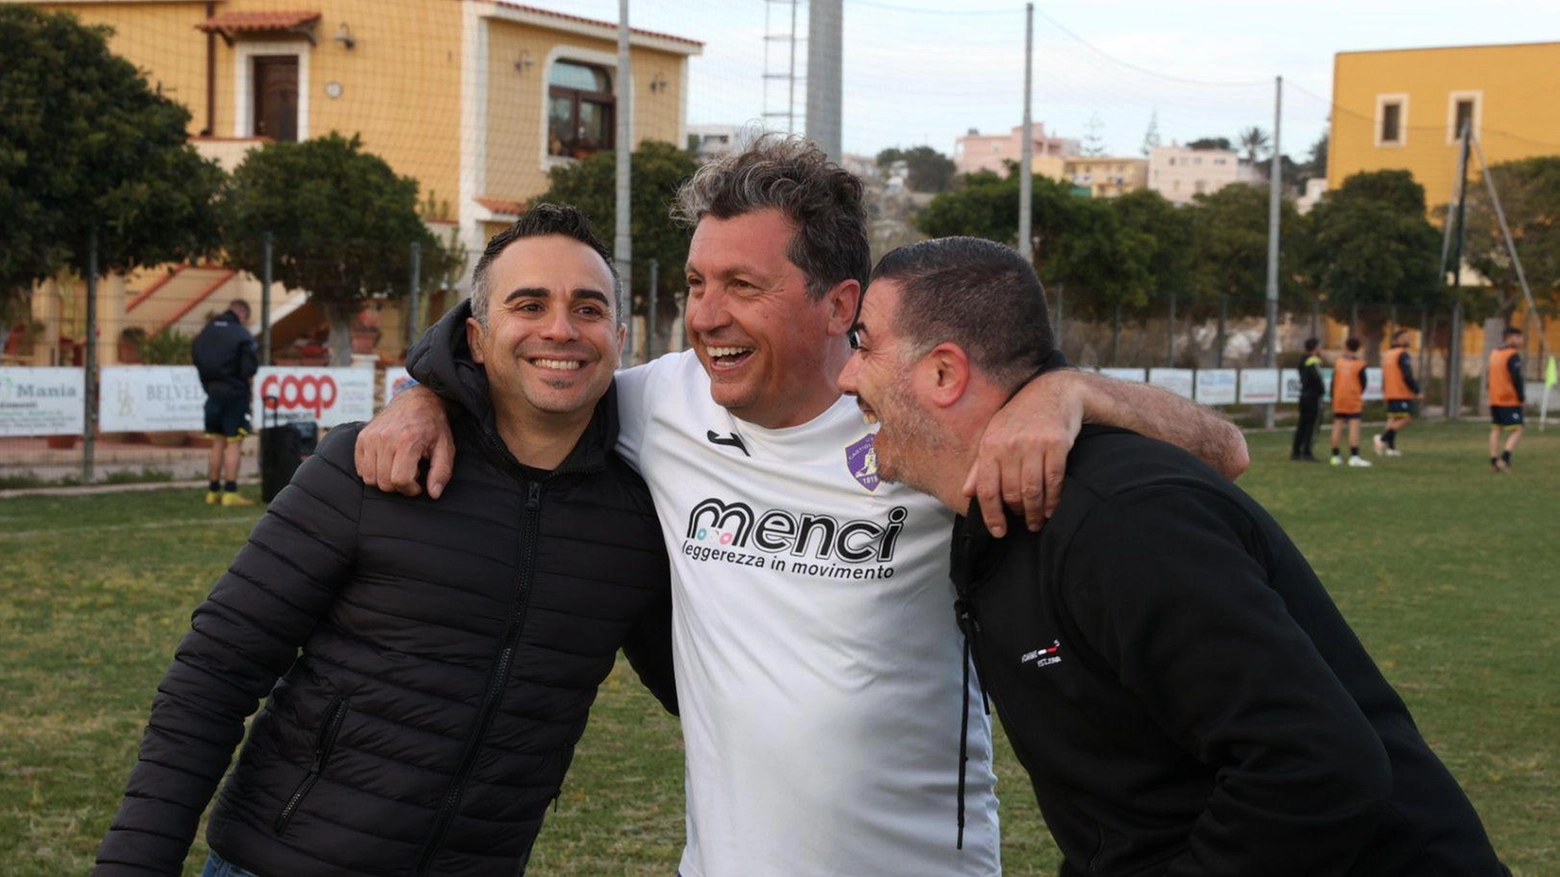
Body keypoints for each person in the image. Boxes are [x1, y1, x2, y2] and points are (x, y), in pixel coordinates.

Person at [356, 134, 1249, 877]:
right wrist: (425, 392)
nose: (707, 315)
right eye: (698, 283)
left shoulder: (934, 432)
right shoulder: (657, 405)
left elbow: (1226, 452)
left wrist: (1070, 393)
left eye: (743, 286)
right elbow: (520, 372)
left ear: (840, 304)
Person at [836, 234, 1511, 877]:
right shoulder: (991, 517)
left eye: (862, 346)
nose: (845, 376)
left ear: (946, 371)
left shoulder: (1117, 518)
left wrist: (1073, 389)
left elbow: (1315, 764)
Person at [93, 205, 677, 877]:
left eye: (588, 308)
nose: (560, 329)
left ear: (622, 337)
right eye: (530, 303)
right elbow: (213, 673)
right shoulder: (367, 466)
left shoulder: (635, 520)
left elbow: (706, 689)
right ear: (477, 337)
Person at [191, 299, 258, 505]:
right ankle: (230, 491)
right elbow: (249, 369)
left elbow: (196, 358)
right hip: (235, 394)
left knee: (217, 442)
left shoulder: (206, 331)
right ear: (243, 315)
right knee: (234, 443)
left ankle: (212, 491)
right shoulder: (241, 334)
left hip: (213, 393)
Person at [1375, 329, 1422, 457]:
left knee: (1393, 419)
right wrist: (1416, 390)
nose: (1408, 339)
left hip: (1390, 392)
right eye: (1405, 337)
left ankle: (1391, 449)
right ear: (1397, 340)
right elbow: (1407, 375)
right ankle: (1382, 439)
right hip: (1400, 392)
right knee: (1407, 418)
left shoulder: (1388, 354)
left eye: (1408, 337)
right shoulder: (1402, 354)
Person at [1487, 326, 1526, 473]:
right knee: (1518, 428)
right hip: (1508, 399)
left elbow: (1489, 375)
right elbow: (1516, 378)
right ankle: (1504, 459)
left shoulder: (1495, 353)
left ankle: (1493, 461)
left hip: (1494, 398)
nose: (1521, 340)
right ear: (1510, 338)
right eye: (1519, 337)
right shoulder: (1512, 355)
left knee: (1496, 428)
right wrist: (1521, 397)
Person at [1330, 338, 1372, 468]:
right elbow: (1363, 382)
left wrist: (1333, 396)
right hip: (1352, 398)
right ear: (1358, 348)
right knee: (1354, 426)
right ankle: (1354, 456)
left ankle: (1335, 456)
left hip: (1339, 398)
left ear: (1346, 346)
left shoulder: (1338, 362)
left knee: (1337, 425)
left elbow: (1333, 381)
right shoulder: (1360, 364)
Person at [1291, 337, 1324, 462]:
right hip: (1313, 397)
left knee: (1302, 424)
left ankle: (1296, 451)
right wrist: (1321, 391)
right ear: (1315, 348)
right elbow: (1317, 380)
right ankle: (1307, 452)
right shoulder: (1313, 361)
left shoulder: (1302, 360)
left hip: (1303, 395)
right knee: (1311, 425)